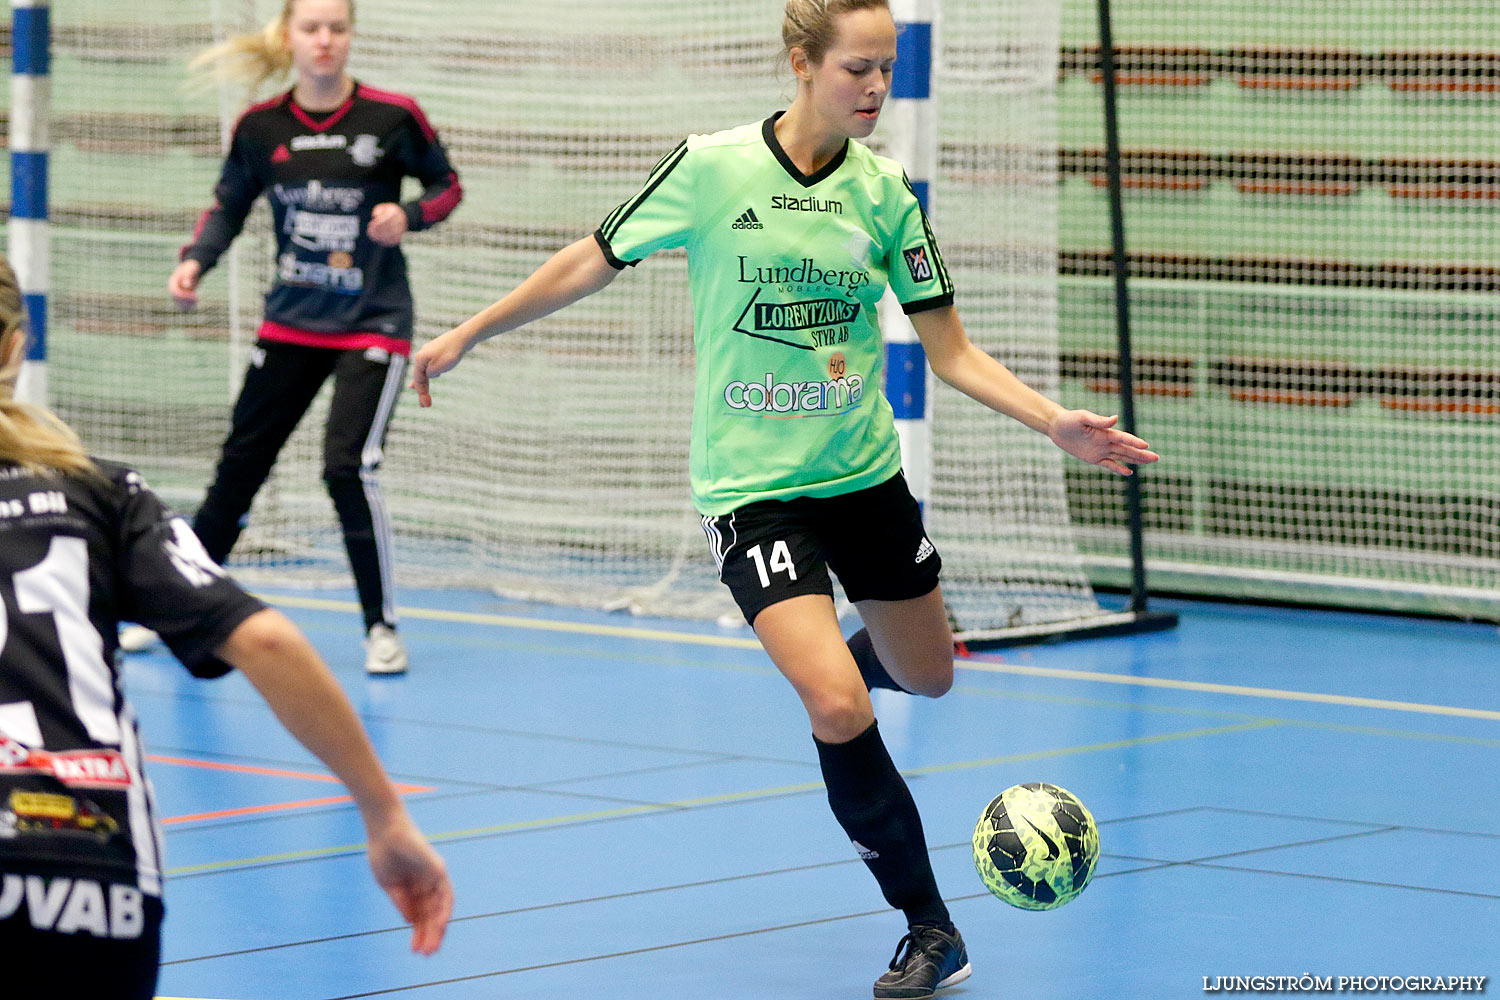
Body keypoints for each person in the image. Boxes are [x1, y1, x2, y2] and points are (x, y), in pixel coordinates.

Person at [411, 1, 1157, 996]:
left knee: (927, 676)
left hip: (864, 480)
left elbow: (952, 350)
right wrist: (472, 330)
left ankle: (842, 664)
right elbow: (594, 256)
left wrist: (1053, 421)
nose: (877, 88)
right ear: (802, 64)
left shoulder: (886, 192)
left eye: (887, 69)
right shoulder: (713, 168)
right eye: (858, 67)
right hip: (755, 492)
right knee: (838, 702)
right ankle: (930, 926)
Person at [0, 253, 452, 997]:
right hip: (88, 878)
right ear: (20, 345)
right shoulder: (97, 491)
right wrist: (384, 813)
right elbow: (267, 640)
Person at [122, 0, 464, 674]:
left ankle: (381, 628)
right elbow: (227, 204)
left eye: (337, 28)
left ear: (350, 36)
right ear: (290, 37)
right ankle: (182, 610)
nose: (325, 40)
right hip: (291, 323)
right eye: (312, 28)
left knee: (347, 466)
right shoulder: (260, 127)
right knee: (240, 466)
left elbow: (446, 185)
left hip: (374, 321)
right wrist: (196, 260)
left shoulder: (393, 116)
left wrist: (412, 214)